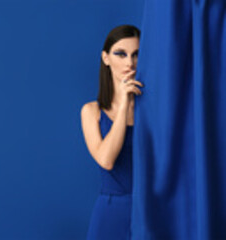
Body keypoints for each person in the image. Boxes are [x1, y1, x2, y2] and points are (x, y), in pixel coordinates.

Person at [80, 24, 140, 240]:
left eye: (135, 54)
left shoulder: (152, 112)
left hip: (150, 208)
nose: (129, 62)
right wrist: (124, 105)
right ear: (106, 58)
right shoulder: (92, 111)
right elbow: (106, 160)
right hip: (111, 211)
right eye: (121, 54)